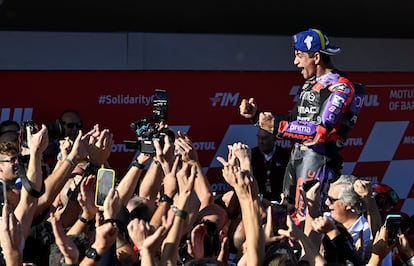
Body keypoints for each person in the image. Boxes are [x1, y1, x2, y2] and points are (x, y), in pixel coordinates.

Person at [239, 28, 365, 216]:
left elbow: (321, 132)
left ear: (315, 57)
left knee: (308, 220)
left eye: (299, 56)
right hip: (297, 157)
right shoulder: (309, 83)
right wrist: (257, 117)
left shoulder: (341, 87)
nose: (295, 62)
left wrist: (276, 126)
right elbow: (294, 121)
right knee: (287, 213)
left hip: (319, 160)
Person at [250, 127, 289, 203]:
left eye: (264, 138)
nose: (261, 141)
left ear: (273, 138)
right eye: (259, 138)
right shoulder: (251, 155)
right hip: (258, 201)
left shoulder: (285, 156)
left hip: (280, 200)